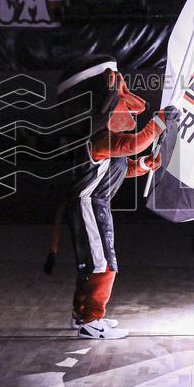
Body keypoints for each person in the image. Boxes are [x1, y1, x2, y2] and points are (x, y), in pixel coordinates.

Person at [54, 55, 167, 339]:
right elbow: (133, 144)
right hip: (88, 206)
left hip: (95, 205)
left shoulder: (101, 138)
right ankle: (92, 320)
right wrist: (159, 124)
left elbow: (118, 168)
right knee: (103, 264)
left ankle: (81, 314)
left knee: (92, 263)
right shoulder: (98, 138)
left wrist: (142, 166)